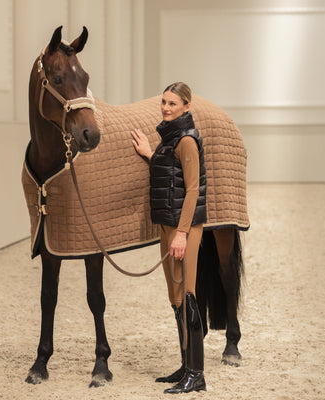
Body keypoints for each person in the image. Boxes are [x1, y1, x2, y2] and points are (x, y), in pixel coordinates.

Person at [131, 82, 207, 394]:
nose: (166, 107)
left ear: (187, 107)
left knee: (187, 295)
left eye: (173, 103)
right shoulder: (169, 136)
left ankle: (197, 374)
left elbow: (192, 190)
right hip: (168, 226)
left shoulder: (187, 139)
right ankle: (185, 365)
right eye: (164, 102)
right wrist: (151, 154)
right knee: (175, 298)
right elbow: (169, 175)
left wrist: (182, 234)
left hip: (182, 228)